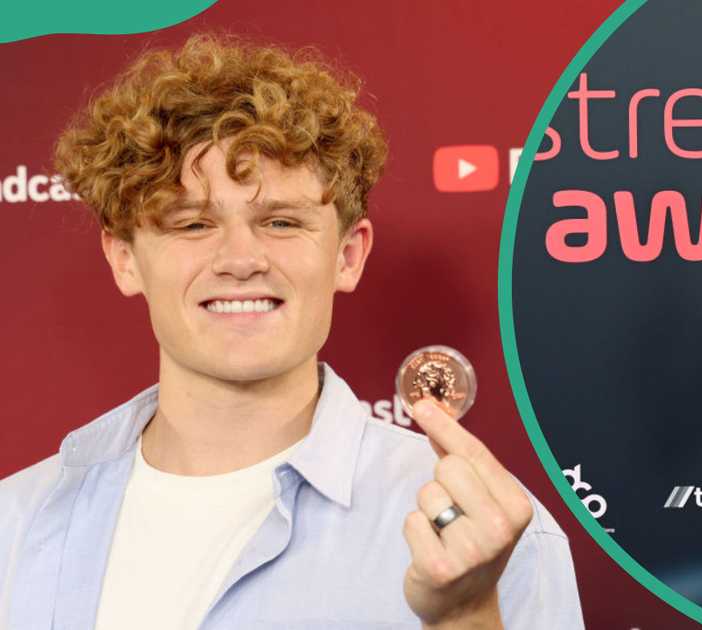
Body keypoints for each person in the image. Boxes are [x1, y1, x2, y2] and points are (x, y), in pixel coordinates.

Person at [0, 33, 583, 630]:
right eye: (193, 223)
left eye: (280, 221)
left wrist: (467, 617)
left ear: (348, 255)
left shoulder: (494, 539)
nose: (240, 258)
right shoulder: (15, 524)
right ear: (125, 259)